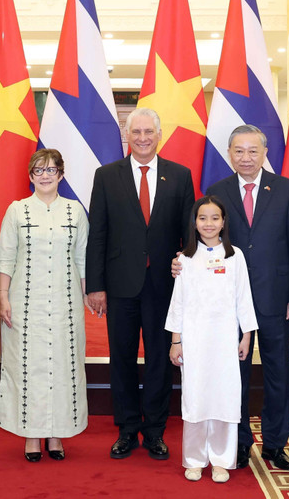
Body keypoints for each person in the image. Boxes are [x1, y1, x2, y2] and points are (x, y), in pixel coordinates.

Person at [176, 125, 289, 471]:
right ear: (229, 153)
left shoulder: (286, 189)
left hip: (276, 298)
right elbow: (204, 239)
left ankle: (276, 445)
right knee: (235, 376)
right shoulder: (217, 190)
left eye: (253, 151)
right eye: (239, 151)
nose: (246, 158)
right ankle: (239, 443)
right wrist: (182, 263)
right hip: (228, 303)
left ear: (265, 153)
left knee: (278, 373)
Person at [86, 107, 195, 460]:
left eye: (149, 132)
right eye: (136, 132)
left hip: (164, 284)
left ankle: (155, 431)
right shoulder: (106, 176)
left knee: (161, 361)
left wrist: (189, 273)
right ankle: (128, 428)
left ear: (159, 135)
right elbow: (98, 234)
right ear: (127, 136)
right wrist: (95, 285)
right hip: (120, 284)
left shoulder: (180, 176)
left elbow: (189, 235)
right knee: (121, 357)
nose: (143, 138)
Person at [0, 149, 90, 462]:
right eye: (39, 170)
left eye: (51, 170)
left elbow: (82, 259)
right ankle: (32, 435)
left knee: (63, 365)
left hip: (65, 303)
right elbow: (6, 256)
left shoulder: (74, 211)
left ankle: (56, 434)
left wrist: (89, 296)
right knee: (29, 367)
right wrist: (3, 295)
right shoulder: (17, 210)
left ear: (61, 175)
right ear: (31, 176)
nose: (45, 175)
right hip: (25, 302)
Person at [166, 196, 258, 483]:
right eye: (203, 218)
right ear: (194, 222)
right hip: (194, 339)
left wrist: (246, 335)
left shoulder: (236, 256)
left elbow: (244, 298)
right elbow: (178, 302)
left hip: (226, 339)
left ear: (224, 222)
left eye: (215, 218)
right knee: (195, 399)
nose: (208, 223)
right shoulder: (184, 259)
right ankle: (194, 459)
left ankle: (221, 459)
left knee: (224, 398)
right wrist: (176, 340)